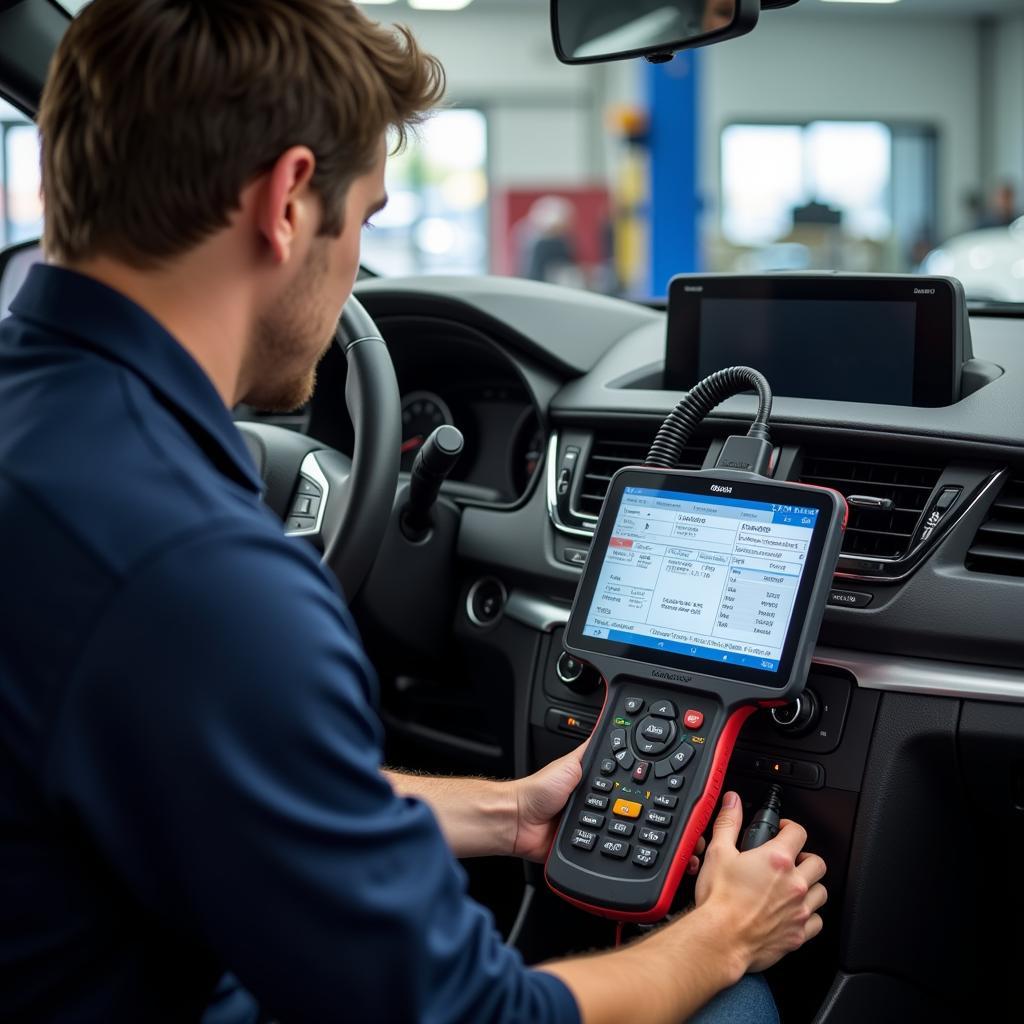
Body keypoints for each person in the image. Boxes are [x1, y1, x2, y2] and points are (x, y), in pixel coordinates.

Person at [0, 2, 827, 1022]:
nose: (356, 258)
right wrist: (720, 934)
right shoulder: (201, 578)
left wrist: (508, 810)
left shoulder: (45, 444)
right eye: (369, 217)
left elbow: (224, 786)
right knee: (737, 1006)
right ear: (291, 200)